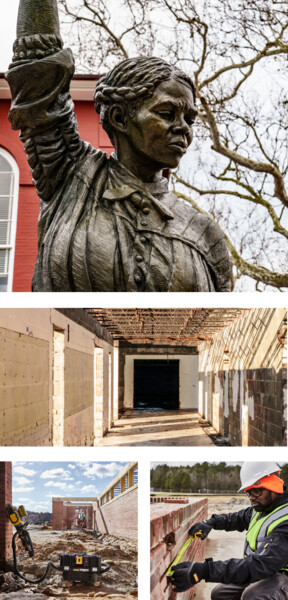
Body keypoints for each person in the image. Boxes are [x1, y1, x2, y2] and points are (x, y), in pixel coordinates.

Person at [6, 0, 231, 292]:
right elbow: (37, 70)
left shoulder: (204, 234)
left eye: (189, 119)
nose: (183, 128)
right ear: (119, 117)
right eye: (166, 114)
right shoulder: (70, 176)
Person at [171, 462, 288, 599]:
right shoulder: (263, 508)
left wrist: (205, 570)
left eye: (255, 491)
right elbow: (237, 518)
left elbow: (260, 565)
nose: (251, 497)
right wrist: (212, 522)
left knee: (254, 596)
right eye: (248, 492)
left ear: (274, 486)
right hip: (264, 572)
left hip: (281, 576)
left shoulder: (285, 521)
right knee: (220, 593)